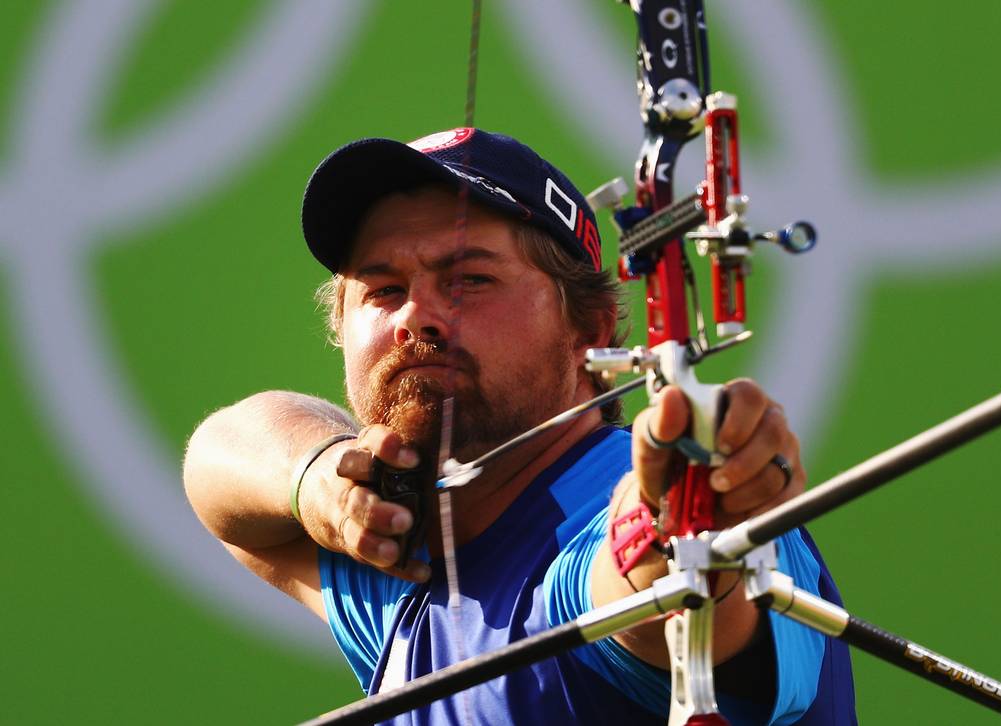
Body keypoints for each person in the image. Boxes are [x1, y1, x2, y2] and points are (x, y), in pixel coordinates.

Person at [183, 127, 855, 724]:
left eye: (469, 279)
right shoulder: (403, 556)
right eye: (383, 289)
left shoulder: (607, 506)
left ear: (590, 329)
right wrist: (319, 480)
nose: (417, 316)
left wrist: (672, 520)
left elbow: (646, 599)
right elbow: (222, 456)